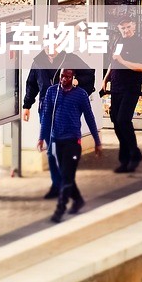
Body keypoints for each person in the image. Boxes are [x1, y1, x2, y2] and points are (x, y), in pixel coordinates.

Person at [23, 50, 95, 199]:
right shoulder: (38, 61)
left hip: (66, 109)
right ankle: (58, 185)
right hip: (46, 110)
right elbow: (31, 84)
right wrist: (27, 105)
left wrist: (78, 82)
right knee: (52, 151)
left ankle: (67, 186)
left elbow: (89, 75)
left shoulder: (70, 59)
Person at [37, 69, 103, 223]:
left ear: (73, 78)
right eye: (62, 76)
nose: (63, 79)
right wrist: (41, 138)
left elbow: (89, 117)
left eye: (67, 77)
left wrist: (97, 141)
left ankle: (60, 209)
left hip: (73, 142)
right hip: (56, 140)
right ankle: (78, 199)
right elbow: (46, 116)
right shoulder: (52, 92)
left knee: (67, 177)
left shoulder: (81, 95)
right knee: (65, 175)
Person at [102, 13, 142, 173]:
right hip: (116, 86)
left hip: (130, 88)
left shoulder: (139, 43)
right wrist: (105, 79)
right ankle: (125, 159)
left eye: (129, 27)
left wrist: (123, 61)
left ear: (134, 26)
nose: (126, 30)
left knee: (123, 120)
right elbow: (113, 61)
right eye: (123, 28)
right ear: (119, 29)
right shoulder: (119, 41)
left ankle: (134, 154)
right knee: (116, 120)